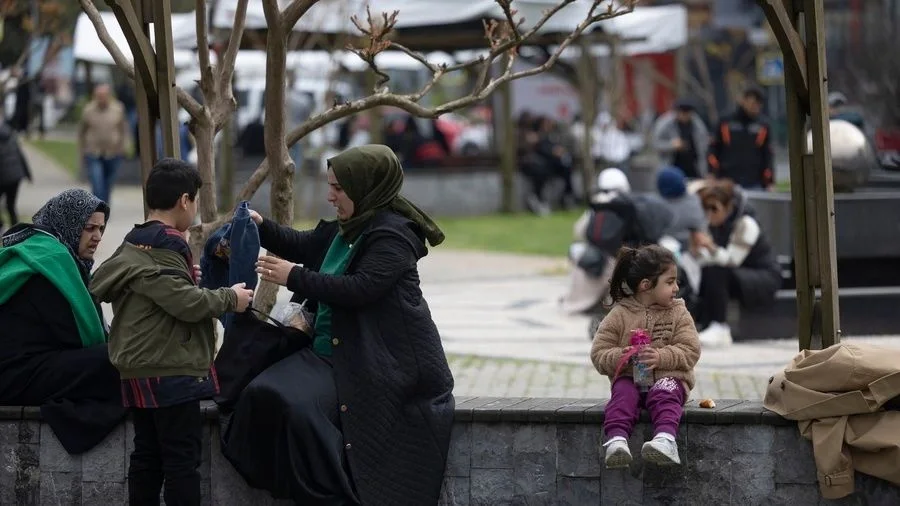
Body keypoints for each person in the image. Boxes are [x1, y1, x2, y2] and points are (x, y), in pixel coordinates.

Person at [223, 144, 455, 506]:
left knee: (302, 412)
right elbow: (304, 244)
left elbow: (360, 289)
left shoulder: (392, 236)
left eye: (339, 188)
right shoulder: (348, 227)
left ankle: (336, 496)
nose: (330, 196)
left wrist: (294, 277)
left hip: (377, 361)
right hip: (330, 351)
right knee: (260, 395)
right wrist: (261, 225)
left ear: (366, 188)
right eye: (330, 185)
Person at [90, 158, 254, 506]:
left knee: (147, 457)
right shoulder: (167, 241)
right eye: (194, 201)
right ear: (184, 200)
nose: (193, 209)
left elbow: (161, 294)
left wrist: (184, 278)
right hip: (170, 369)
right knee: (181, 463)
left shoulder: (134, 240)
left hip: (139, 367)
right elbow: (185, 303)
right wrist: (231, 298)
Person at [0, 189, 126, 454]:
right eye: (89, 228)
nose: (97, 237)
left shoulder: (43, 251)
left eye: (101, 229)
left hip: (26, 365)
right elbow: (81, 339)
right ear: (68, 223)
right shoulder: (51, 262)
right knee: (115, 361)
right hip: (14, 376)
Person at [590, 245, 701, 469]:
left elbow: (691, 349)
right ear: (646, 286)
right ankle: (617, 440)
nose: (676, 288)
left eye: (675, 281)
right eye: (669, 282)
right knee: (621, 395)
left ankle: (665, 439)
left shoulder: (678, 312)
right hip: (631, 379)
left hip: (668, 378)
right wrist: (622, 356)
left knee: (665, 392)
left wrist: (661, 357)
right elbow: (599, 353)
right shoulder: (620, 314)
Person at [693, 181, 782, 347]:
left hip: (765, 277)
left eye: (714, 209)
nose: (709, 214)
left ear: (728, 207)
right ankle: (707, 324)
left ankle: (720, 325)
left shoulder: (746, 224)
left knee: (718, 271)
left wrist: (710, 247)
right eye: (706, 209)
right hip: (741, 274)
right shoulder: (716, 225)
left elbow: (732, 260)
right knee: (708, 270)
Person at [707, 85, 774, 190]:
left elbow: (767, 155)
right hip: (727, 181)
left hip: (754, 181)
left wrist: (770, 181)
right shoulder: (725, 121)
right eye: (753, 103)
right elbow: (713, 149)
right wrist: (711, 172)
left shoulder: (763, 125)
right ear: (743, 101)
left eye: (759, 104)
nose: (756, 106)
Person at [79, 83, 129, 205]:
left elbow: (123, 129)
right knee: (97, 182)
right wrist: (82, 150)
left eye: (103, 95)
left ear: (109, 96)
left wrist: (123, 147)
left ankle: (104, 206)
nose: (101, 98)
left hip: (113, 153)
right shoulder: (88, 110)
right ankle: (97, 208)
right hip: (93, 152)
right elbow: (82, 132)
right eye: (98, 96)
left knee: (108, 183)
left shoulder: (118, 109)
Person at [652, 99, 710, 179]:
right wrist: (672, 145)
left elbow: (703, 146)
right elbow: (655, 144)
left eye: (688, 113)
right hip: (672, 166)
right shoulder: (665, 124)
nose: (685, 116)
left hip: (693, 167)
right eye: (683, 113)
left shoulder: (697, 125)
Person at [0, 119, 31, 233]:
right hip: (15, 176)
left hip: (3, 177)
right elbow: (20, 155)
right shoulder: (11, 134)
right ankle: (16, 231)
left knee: (9, 205)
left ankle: (2, 226)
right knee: (11, 205)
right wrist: (28, 174)